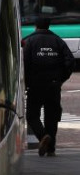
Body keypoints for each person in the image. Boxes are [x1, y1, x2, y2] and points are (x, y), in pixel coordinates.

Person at [23, 17, 75, 157]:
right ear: (49, 26)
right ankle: (51, 149)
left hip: (35, 85)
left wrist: (26, 81)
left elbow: (24, 64)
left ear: (35, 26)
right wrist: (60, 79)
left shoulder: (29, 41)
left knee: (32, 115)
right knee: (52, 116)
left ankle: (43, 136)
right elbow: (70, 62)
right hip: (53, 85)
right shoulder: (58, 41)